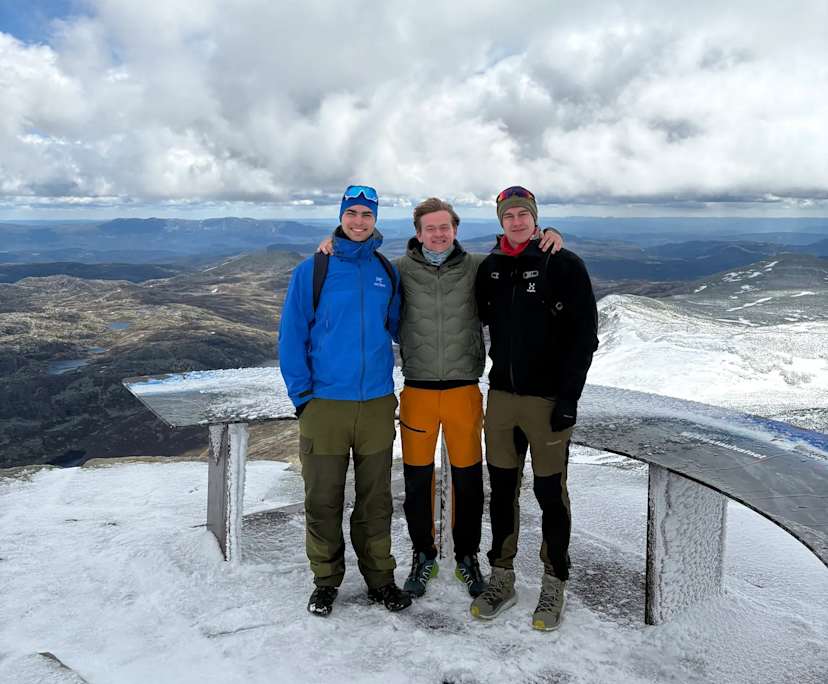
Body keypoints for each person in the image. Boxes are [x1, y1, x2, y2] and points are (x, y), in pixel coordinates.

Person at [318, 199, 562, 599]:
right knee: (418, 481)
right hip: (418, 390)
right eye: (430, 228)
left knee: (468, 481)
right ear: (418, 233)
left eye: (444, 227)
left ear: (455, 229)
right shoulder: (395, 270)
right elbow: (364, 274)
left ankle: (466, 556)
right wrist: (333, 242)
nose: (438, 234)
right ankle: (423, 553)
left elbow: (519, 259)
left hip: (464, 390)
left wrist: (548, 236)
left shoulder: (479, 266)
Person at [279, 184, 412, 617]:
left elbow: (395, 326)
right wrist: (303, 398)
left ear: (376, 220)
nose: (358, 222)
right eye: (351, 213)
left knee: (375, 501)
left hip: (375, 403)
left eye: (366, 215)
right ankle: (325, 581)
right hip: (325, 406)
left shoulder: (384, 272)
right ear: (341, 217)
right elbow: (291, 336)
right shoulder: (313, 270)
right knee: (323, 499)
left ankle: (380, 580)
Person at [471, 185, 598, 631]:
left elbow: (585, 338)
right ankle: (501, 577)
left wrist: (568, 398)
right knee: (502, 492)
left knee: (549, 495)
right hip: (502, 398)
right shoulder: (490, 268)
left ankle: (553, 581)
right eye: (510, 216)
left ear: (536, 218)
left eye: (525, 214)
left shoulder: (563, 264)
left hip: (546, 402)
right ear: (500, 221)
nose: (518, 221)